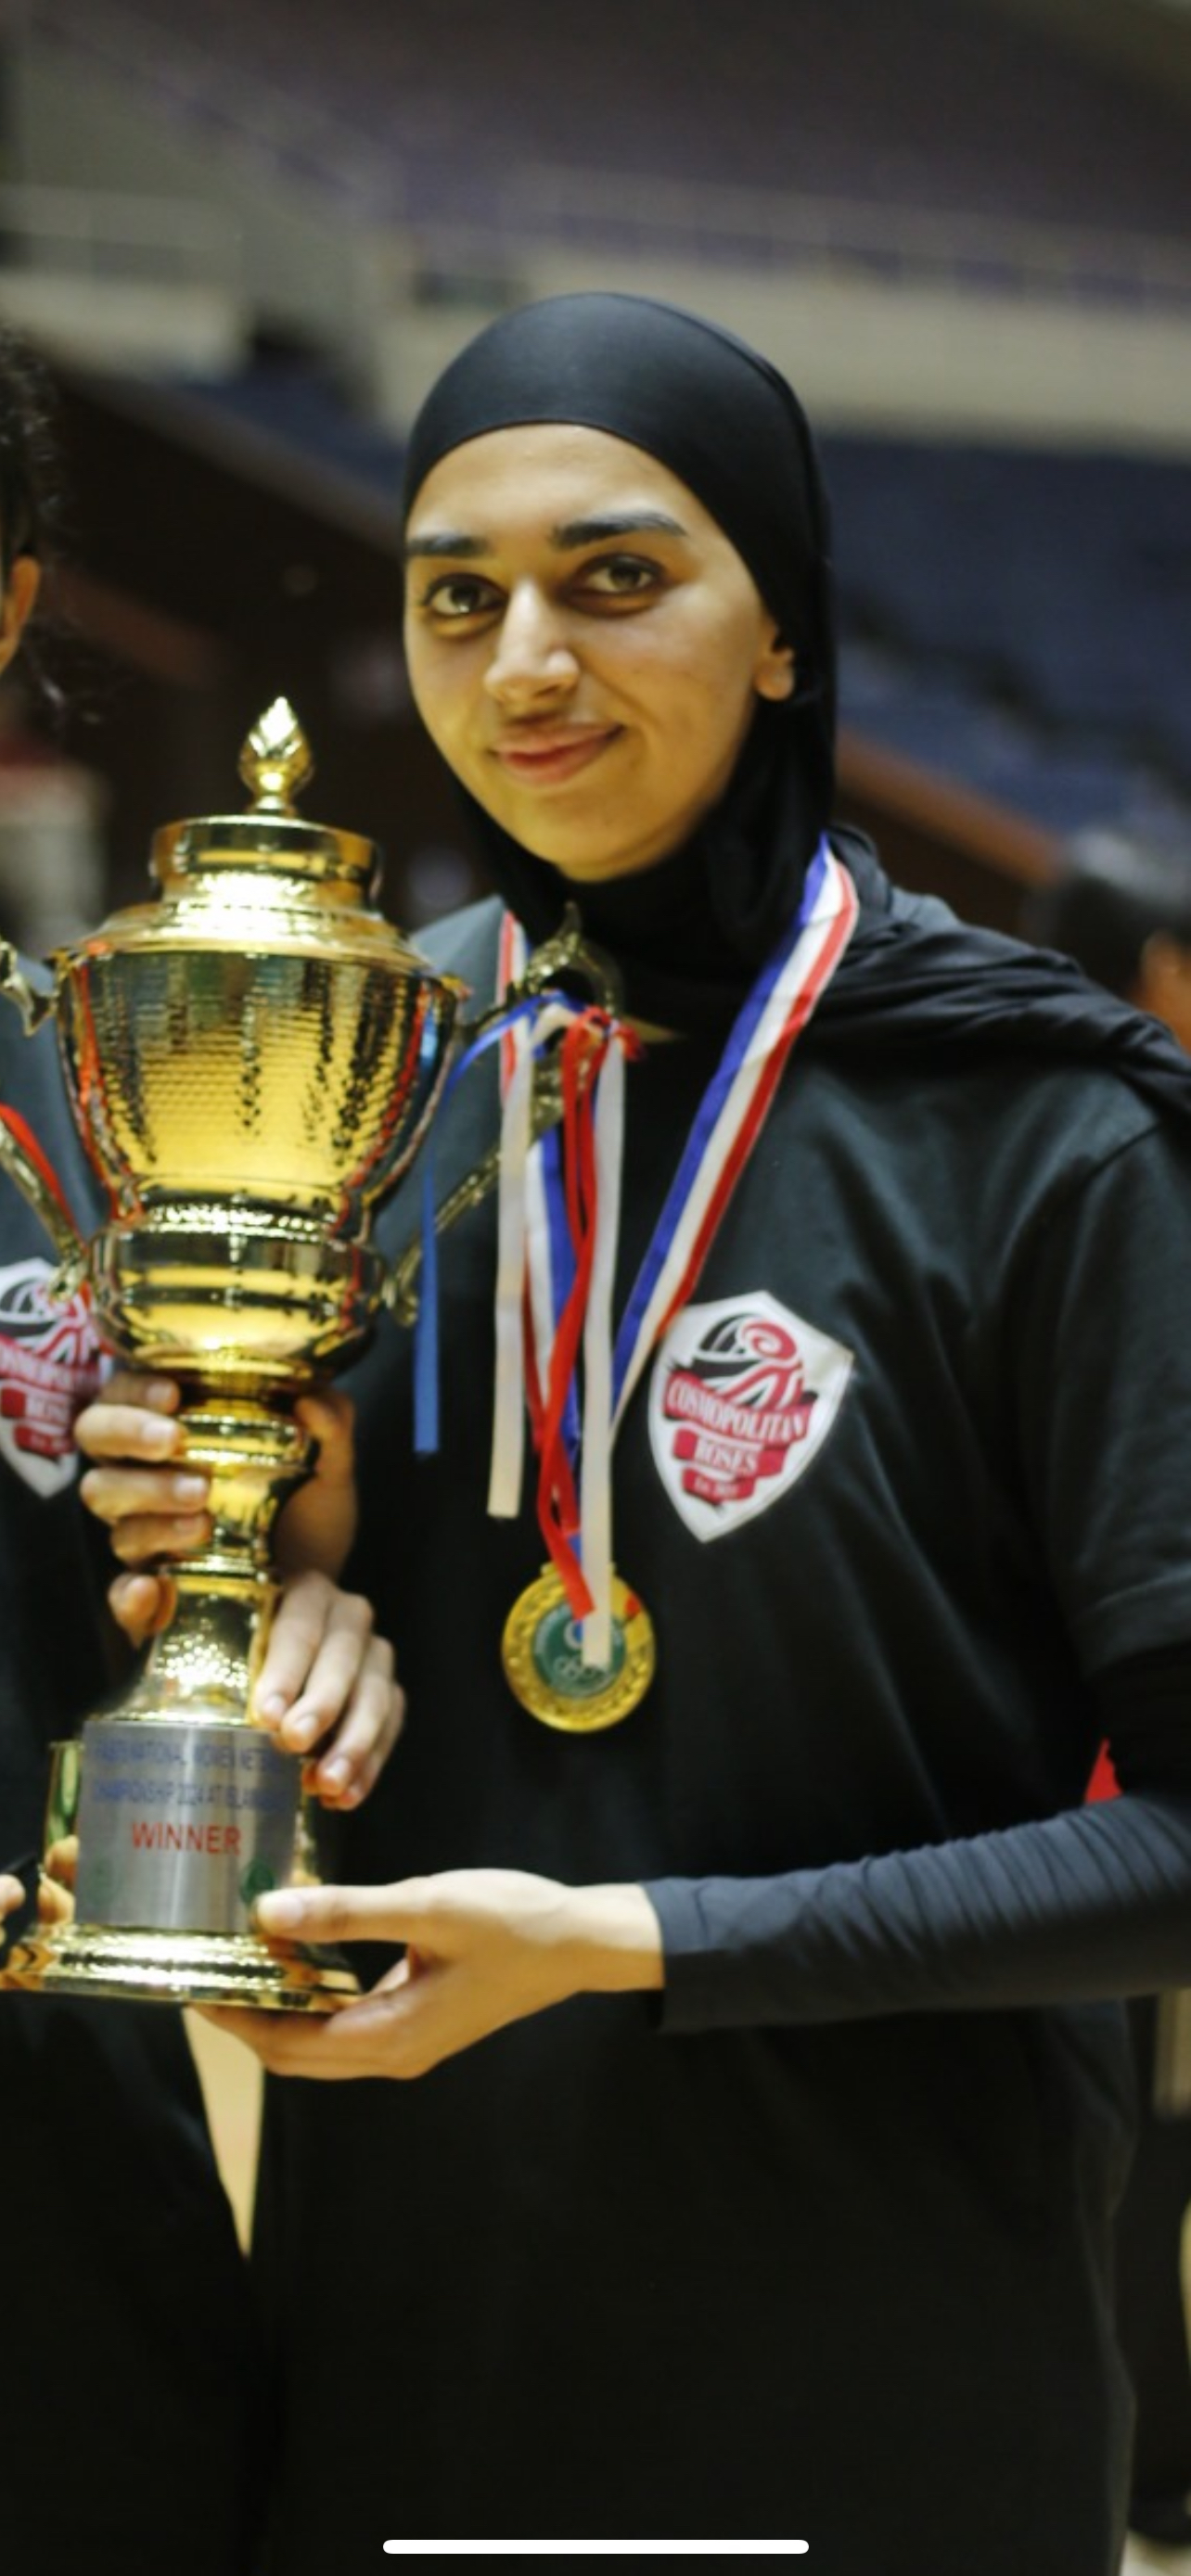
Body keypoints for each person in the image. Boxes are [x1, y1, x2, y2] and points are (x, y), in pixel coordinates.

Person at [73, 294, 1191, 2570]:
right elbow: (304, 1627)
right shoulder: (360, 1087)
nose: (526, 666)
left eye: (615, 578)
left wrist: (635, 1939)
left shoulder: (1046, 1129)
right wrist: (265, 1610)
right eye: (453, 597)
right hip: (422, 2362)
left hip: (897, 2378)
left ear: (782, 631)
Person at [0, 329, 403, 2576]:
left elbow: (169, 1570)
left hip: (63, 2192)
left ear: (8, 601)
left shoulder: (92, 1079)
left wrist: (288, 1584)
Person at [1029, 835, 1191, 2559]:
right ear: (1158, 971)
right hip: (1120, 1765)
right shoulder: (1129, 1144)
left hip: (1064, 1762)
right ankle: (1146, 2470)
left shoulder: (1010, 1124)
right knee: (1137, 2124)